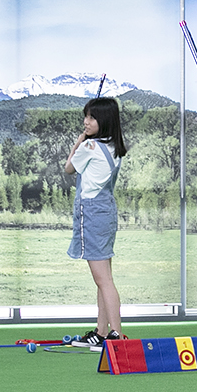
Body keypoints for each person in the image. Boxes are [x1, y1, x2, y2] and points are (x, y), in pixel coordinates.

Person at [66, 96, 126, 349]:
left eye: (91, 117)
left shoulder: (90, 147)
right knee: (104, 278)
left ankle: (116, 336)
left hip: (92, 212)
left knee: (104, 280)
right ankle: (101, 332)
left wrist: (79, 141)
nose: (86, 121)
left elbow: (69, 168)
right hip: (106, 210)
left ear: (104, 120)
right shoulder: (113, 146)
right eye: (86, 116)